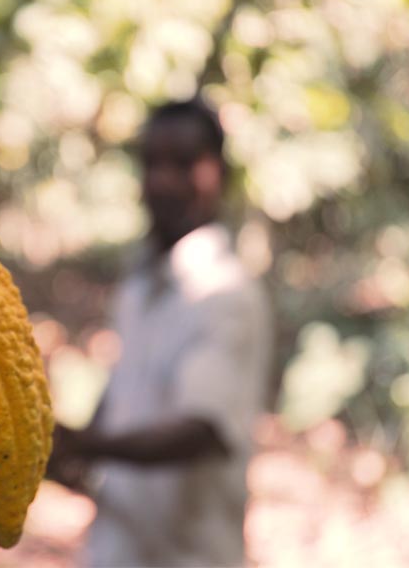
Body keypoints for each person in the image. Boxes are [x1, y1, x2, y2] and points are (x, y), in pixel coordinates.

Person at [49, 98, 272, 567]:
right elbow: (123, 400)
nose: (163, 181)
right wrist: (68, 453)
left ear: (220, 174)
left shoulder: (228, 294)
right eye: (152, 164)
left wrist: (86, 445)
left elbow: (201, 431)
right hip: (117, 548)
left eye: (184, 163)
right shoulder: (140, 287)